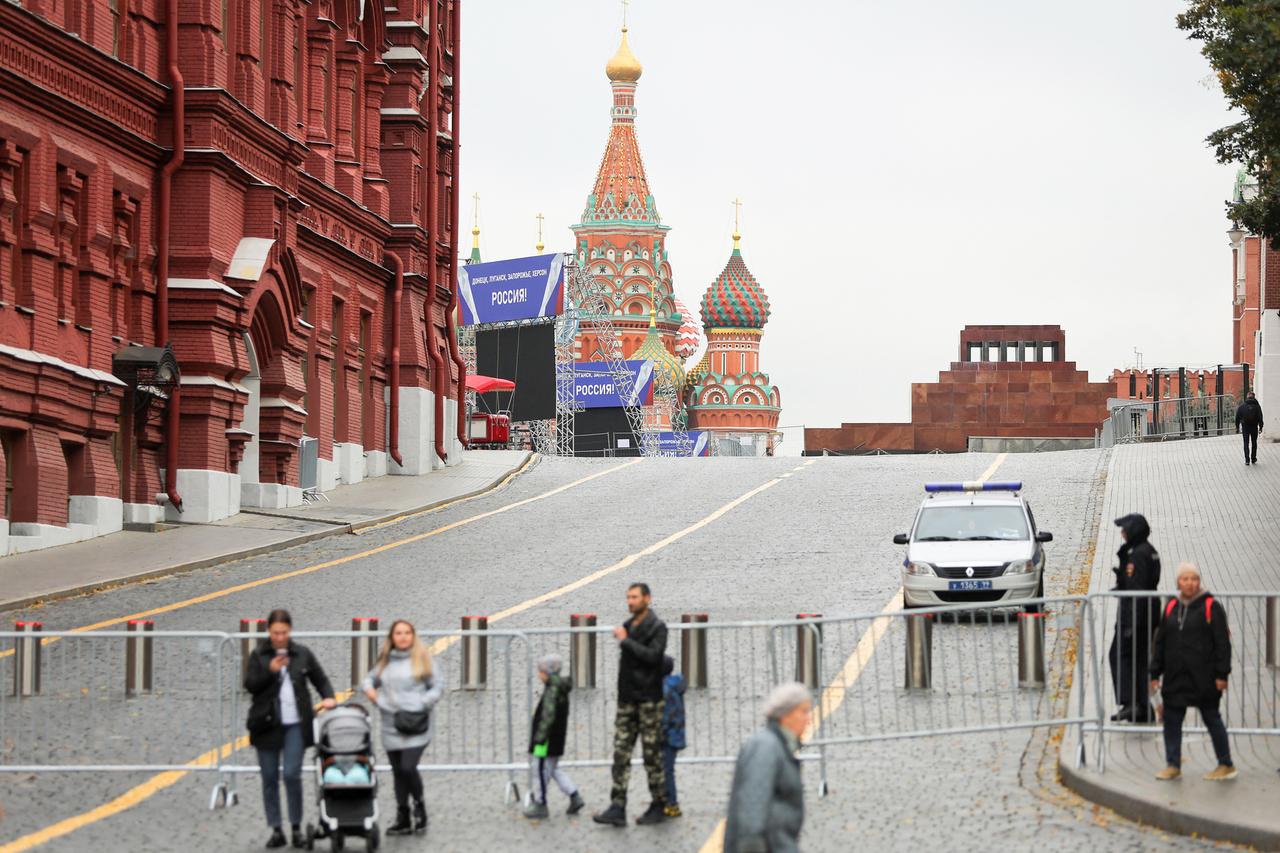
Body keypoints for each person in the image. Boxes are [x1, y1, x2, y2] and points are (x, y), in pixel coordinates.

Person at [244, 609, 336, 850]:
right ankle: (276, 829)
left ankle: (296, 827)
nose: (280, 637)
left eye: (284, 632)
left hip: (296, 724)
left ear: (290, 631)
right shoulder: (258, 655)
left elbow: (320, 678)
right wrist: (270, 671)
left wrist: (329, 697)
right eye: (275, 633)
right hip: (267, 725)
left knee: (292, 775)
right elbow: (250, 686)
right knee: (270, 779)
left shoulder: (302, 653)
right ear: (269, 632)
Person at [1149, 563, 1236, 781]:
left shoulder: (1211, 607)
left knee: (1212, 718)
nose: (1190, 583)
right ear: (1178, 582)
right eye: (1185, 579)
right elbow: (1159, 642)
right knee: (1172, 720)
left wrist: (1222, 675)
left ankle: (1225, 763)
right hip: (1176, 677)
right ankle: (1172, 763)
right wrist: (1154, 673)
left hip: (1204, 677)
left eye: (1194, 579)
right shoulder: (1171, 606)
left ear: (1199, 581)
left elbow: (1222, 644)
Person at [593, 582, 669, 827]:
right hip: (627, 701)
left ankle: (659, 804)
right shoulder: (628, 626)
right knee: (621, 754)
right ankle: (617, 806)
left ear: (647, 598)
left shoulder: (657, 628)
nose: (630, 602)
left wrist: (626, 642)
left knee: (651, 756)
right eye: (628, 597)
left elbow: (653, 657)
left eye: (635, 597)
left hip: (648, 701)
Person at [361, 619, 444, 835]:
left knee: (408, 767)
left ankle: (420, 806)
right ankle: (403, 815)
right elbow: (368, 680)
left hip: (417, 724)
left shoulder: (423, 659)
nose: (403, 636)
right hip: (391, 724)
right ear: (392, 637)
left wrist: (422, 703)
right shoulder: (385, 661)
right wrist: (373, 695)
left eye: (407, 632)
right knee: (398, 772)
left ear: (413, 635)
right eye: (398, 633)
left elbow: (437, 687)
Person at [724, 682, 812, 853]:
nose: (809, 718)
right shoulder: (766, 747)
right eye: (803, 712)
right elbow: (753, 801)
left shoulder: (778, 745)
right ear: (786, 715)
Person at [1108, 513, 1161, 723]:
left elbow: (1138, 591)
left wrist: (1132, 624)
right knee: (1138, 661)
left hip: (1136, 617)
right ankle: (1140, 706)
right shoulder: (1146, 550)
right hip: (1143, 615)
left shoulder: (1138, 554)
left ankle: (1132, 703)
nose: (1122, 534)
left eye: (1125, 530)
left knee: (1120, 656)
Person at [523, 654, 584, 819]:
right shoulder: (560, 688)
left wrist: (538, 739)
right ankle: (574, 795)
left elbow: (547, 718)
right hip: (557, 739)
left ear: (548, 673)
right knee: (555, 769)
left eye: (541, 672)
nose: (539, 675)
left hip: (546, 742)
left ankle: (540, 803)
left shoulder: (552, 691)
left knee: (540, 770)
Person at [660, 655, 686, 818]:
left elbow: (665, 716)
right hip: (676, 735)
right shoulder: (675, 686)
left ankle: (671, 803)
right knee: (667, 770)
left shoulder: (664, 690)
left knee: (667, 770)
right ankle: (668, 801)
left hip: (668, 737)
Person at [1236, 390, 1264, 465]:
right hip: (1254, 427)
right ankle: (1253, 458)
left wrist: (1237, 427)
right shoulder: (1257, 406)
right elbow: (1260, 417)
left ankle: (1247, 460)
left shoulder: (1242, 406)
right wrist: (1261, 427)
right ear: (1254, 397)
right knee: (1254, 443)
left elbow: (1237, 417)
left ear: (1247, 397)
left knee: (1246, 443)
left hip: (1245, 427)